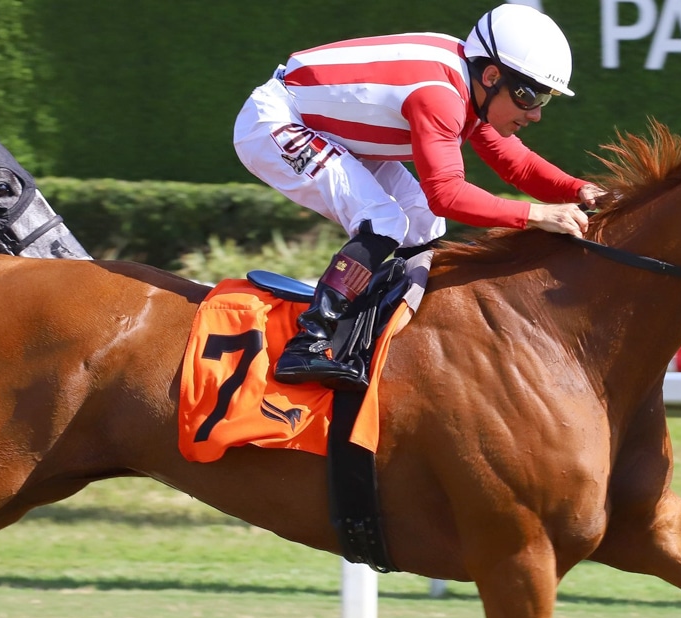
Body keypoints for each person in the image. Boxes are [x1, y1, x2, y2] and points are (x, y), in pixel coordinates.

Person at [233, 3, 603, 390]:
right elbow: (446, 193)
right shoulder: (440, 95)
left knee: (424, 222)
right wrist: (537, 215)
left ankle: (386, 334)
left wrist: (581, 190)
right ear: (492, 75)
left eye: (544, 99)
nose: (536, 113)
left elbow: (516, 165)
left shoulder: (471, 82)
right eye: (529, 96)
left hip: (327, 129)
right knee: (384, 221)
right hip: (277, 121)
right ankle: (309, 341)